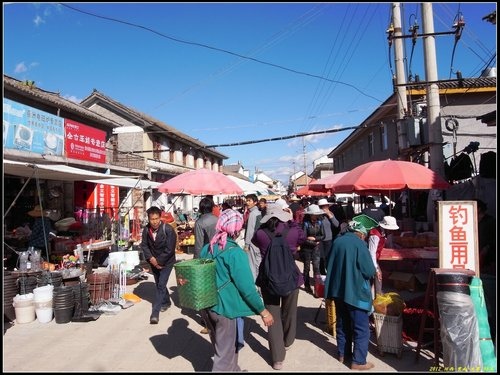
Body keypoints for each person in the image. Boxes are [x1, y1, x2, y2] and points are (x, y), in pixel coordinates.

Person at [200, 209, 274, 372]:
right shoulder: (235, 253)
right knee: (223, 357)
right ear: (238, 229)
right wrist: (263, 311)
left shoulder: (207, 248)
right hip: (225, 308)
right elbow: (247, 288)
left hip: (208, 305)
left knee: (225, 347)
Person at [252, 203, 306, 370]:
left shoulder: (260, 233)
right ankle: (288, 341)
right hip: (291, 278)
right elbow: (303, 238)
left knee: (272, 317)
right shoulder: (293, 231)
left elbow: (255, 240)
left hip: (268, 279)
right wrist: (293, 220)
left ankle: (277, 359)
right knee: (290, 312)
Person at [324, 221, 376, 370]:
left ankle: (343, 355)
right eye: (364, 235)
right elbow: (369, 270)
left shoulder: (337, 241)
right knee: (361, 328)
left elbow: (329, 265)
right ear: (360, 233)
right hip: (355, 293)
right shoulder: (359, 244)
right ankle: (358, 361)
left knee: (343, 323)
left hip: (338, 291)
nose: (364, 238)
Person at [140, 206, 177, 324]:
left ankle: (155, 313)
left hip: (167, 261)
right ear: (149, 219)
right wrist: (151, 259)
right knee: (159, 283)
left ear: (160, 218)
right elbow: (144, 245)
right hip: (153, 261)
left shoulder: (168, 230)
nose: (154, 221)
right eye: (152, 219)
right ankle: (166, 302)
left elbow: (170, 249)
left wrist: (160, 261)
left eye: (156, 218)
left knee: (161, 284)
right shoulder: (146, 230)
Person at [476, 199, 496, 342]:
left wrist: (484, 253)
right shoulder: (477, 221)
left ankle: (492, 331)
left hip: (489, 266)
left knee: (490, 300)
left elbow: (490, 243)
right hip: (481, 265)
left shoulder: (490, 222)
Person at [366, 216, 399, 297]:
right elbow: (371, 252)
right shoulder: (375, 235)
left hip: (375, 257)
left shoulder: (384, 233)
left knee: (377, 277)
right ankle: (378, 296)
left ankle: (376, 295)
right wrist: (376, 269)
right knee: (378, 276)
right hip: (368, 258)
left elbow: (388, 244)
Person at [301, 204, 325, 294]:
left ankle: (317, 288)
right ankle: (307, 285)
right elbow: (303, 238)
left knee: (316, 268)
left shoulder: (320, 222)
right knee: (306, 268)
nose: (316, 215)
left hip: (316, 247)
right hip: (307, 248)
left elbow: (323, 235)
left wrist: (314, 239)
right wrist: (315, 242)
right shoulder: (305, 223)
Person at [317, 198, 340, 275]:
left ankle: (329, 273)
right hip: (319, 239)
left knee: (328, 257)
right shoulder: (316, 215)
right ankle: (322, 274)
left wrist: (330, 215)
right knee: (320, 258)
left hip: (328, 239)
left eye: (326, 206)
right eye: (323, 206)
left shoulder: (330, 214)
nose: (325, 208)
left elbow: (337, 225)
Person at [243, 194, 262, 281]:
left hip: (252, 243)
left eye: (249, 201)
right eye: (247, 200)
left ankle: (255, 283)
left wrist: (247, 244)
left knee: (252, 265)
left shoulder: (253, 214)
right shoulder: (258, 212)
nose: (247, 202)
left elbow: (250, 230)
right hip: (258, 242)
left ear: (255, 202)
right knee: (257, 263)